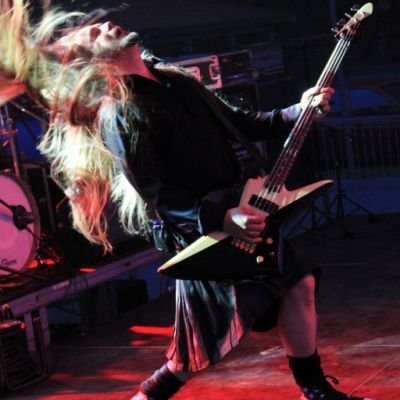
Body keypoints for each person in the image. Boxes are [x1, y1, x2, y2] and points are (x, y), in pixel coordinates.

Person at [0, 2, 373, 399]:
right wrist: (220, 218)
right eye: (95, 34)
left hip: (239, 213)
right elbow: (157, 194)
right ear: (95, 64)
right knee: (197, 349)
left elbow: (238, 123)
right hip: (201, 234)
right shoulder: (121, 113)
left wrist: (297, 110)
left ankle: (315, 391)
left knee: (297, 282)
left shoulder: (174, 79)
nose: (105, 24)